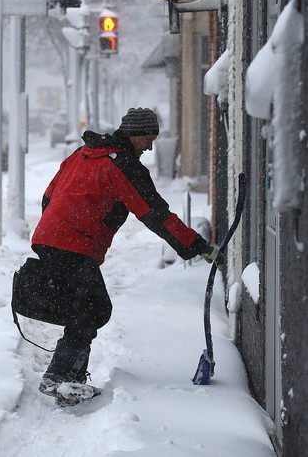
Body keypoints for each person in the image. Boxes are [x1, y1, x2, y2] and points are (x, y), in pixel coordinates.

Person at [31, 107, 224, 396]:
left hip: (50, 237)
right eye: (148, 138)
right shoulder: (124, 166)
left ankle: (66, 377)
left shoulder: (81, 154)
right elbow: (155, 214)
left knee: (82, 309)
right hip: (74, 244)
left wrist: (61, 228)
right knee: (94, 308)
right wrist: (198, 246)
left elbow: (48, 196)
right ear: (134, 134)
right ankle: (59, 377)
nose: (150, 146)